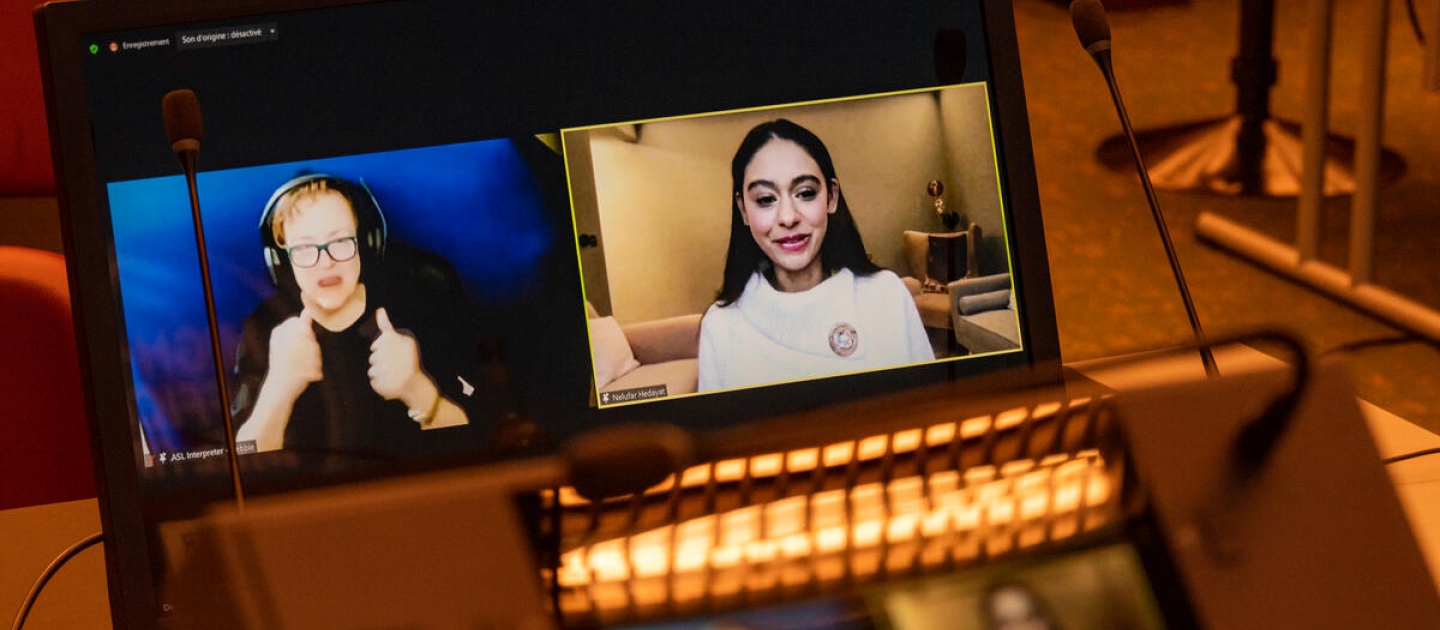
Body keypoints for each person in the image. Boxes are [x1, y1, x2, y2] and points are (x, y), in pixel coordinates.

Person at [232, 175, 480, 457]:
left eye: (339, 241)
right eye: (303, 248)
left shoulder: (420, 305)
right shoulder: (263, 328)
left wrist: (419, 391)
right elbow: (242, 460)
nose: (325, 262)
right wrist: (278, 389)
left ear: (366, 243)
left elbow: (483, 435)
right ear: (281, 260)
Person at [697, 119, 933, 392]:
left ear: (831, 196)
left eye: (805, 193)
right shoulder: (721, 325)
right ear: (743, 210)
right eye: (765, 199)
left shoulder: (886, 294)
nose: (788, 217)